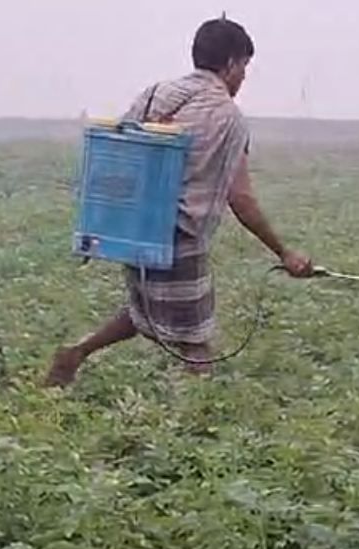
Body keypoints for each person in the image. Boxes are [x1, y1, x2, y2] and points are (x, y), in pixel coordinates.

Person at [46, 17, 313, 387]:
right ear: (232, 63)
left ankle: (77, 352)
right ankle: (195, 425)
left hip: (134, 227)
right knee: (196, 343)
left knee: (146, 308)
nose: (244, 79)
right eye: (245, 68)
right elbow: (241, 197)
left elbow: (121, 150)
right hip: (179, 236)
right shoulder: (228, 117)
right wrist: (284, 252)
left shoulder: (157, 93)